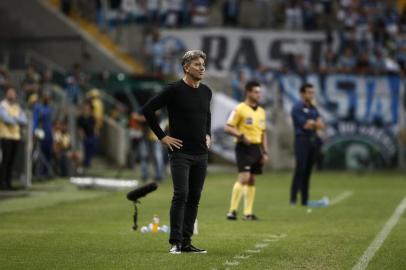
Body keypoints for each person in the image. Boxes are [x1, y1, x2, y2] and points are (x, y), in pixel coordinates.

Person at [142, 50, 211, 254]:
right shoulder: (174, 89)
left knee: (195, 197)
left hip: (201, 154)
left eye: (203, 64)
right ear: (186, 67)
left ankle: (187, 242)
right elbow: (147, 110)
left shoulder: (207, 91)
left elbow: (207, 115)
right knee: (181, 194)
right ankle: (176, 242)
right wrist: (162, 137)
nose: (202, 67)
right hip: (180, 152)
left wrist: (208, 134)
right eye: (197, 64)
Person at [224, 81, 268, 221]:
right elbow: (228, 127)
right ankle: (232, 211)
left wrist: (265, 152)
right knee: (244, 178)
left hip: (256, 148)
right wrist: (241, 136)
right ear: (248, 92)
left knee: (252, 179)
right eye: (256, 92)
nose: (258, 94)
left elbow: (263, 133)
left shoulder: (261, 111)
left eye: (259, 92)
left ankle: (248, 213)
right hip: (243, 147)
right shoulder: (239, 109)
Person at [290, 83, 325, 207]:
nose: (311, 95)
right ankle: (293, 198)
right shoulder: (297, 107)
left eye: (312, 92)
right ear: (302, 93)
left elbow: (321, 125)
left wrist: (313, 123)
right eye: (309, 92)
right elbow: (306, 125)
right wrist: (314, 123)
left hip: (312, 140)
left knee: (308, 171)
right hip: (301, 140)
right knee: (300, 168)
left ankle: (304, 200)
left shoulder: (313, 108)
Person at [0, 87, 27, 190]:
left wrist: (15, 119)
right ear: (6, 94)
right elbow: (6, 119)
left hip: (15, 136)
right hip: (5, 136)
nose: (12, 95)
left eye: (13, 93)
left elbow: (24, 120)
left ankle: (8, 183)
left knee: (12, 161)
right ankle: (2, 183)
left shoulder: (17, 107)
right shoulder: (2, 105)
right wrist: (17, 120)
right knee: (5, 161)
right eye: (10, 92)